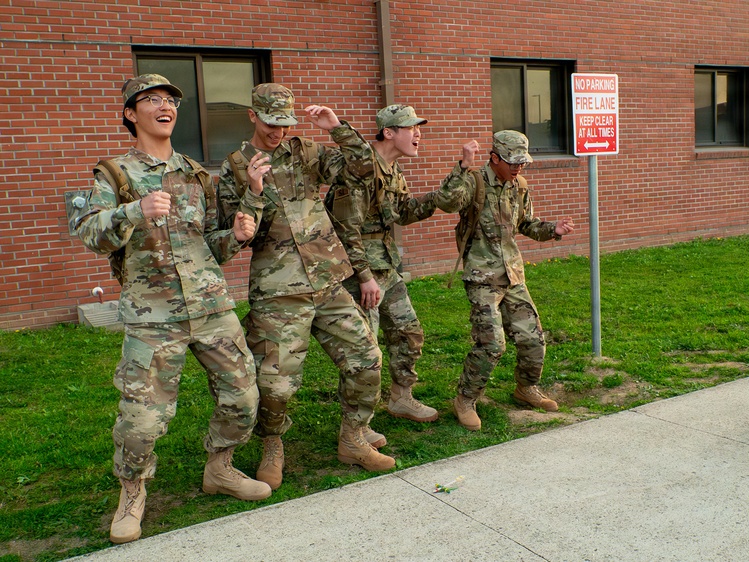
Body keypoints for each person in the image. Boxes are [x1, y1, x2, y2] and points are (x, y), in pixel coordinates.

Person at [76, 74, 271, 545]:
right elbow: (88, 231)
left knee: (244, 398)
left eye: (170, 100)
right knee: (142, 420)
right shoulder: (114, 174)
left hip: (211, 307)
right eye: (151, 100)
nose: (165, 106)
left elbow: (208, 245)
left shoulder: (195, 173)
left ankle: (220, 468)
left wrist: (237, 236)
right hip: (153, 316)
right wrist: (132, 210)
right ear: (130, 113)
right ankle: (132, 493)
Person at [217, 84, 394, 489]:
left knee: (367, 359)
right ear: (252, 116)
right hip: (279, 290)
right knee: (276, 384)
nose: (278, 131)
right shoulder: (234, 166)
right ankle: (272, 443)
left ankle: (353, 436)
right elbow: (234, 233)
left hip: (329, 280)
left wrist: (337, 128)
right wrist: (255, 193)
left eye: (285, 123)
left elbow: (369, 169)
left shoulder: (309, 153)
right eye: (270, 122)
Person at [325, 104, 465, 424]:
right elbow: (345, 228)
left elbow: (402, 212)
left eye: (418, 127)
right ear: (389, 132)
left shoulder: (393, 169)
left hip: (385, 266)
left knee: (408, 332)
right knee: (363, 352)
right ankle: (357, 425)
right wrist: (363, 277)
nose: (418, 134)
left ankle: (401, 398)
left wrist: (438, 199)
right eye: (410, 128)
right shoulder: (360, 169)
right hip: (358, 271)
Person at [437, 130, 575, 431]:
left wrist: (554, 228)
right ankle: (465, 399)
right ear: (494, 157)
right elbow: (447, 202)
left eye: (522, 163)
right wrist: (463, 165)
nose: (518, 168)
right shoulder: (473, 182)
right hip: (482, 277)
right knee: (492, 344)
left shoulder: (519, 187)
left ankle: (526, 388)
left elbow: (525, 223)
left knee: (533, 338)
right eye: (512, 162)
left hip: (512, 275)